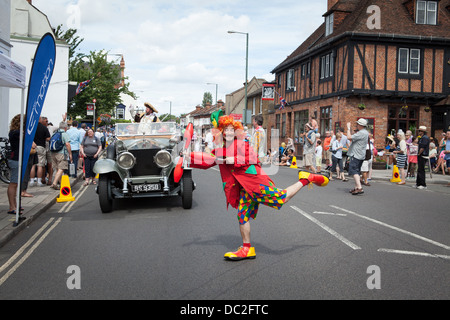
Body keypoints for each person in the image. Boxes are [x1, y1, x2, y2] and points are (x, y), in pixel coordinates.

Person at [188, 115, 329, 261]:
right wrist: (187, 156)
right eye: (226, 130)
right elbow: (207, 160)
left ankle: (306, 178)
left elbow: (252, 158)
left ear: (236, 131)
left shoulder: (242, 144)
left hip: (256, 184)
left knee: (281, 198)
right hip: (245, 189)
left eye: (231, 129)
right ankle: (247, 249)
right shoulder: (221, 150)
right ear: (221, 132)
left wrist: (234, 159)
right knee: (242, 215)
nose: (229, 132)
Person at [346, 118, 370, 195]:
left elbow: (349, 137)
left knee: (353, 170)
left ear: (360, 125)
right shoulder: (365, 133)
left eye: (358, 124)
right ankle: (356, 187)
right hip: (361, 154)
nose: (357, 125)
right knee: (357, 171)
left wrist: (348, 128)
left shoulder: (361, 133)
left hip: (356, 154)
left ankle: (359, 187)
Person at [7, 115, 24, 215]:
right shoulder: (16, 133)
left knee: (15, 184)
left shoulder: (14, 132)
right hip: (15, 159)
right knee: (13, 183)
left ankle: (14, 205)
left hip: (16, 158)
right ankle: (12, 207)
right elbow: (32, 144)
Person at [49, 122, 72, 190]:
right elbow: (67, 144)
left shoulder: (55, 133)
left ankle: (61, 184)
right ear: (65, 128)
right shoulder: (64, 134)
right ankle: (54, 183)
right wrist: (70, 154)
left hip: (53, 153)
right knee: (61, 168)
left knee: (57, 169)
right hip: (61, 153)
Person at [30, 117, 50, 187]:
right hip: (41, 147)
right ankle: (39, 181)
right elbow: (48, 138)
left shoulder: (31, 127)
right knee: (40, 165)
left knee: (33, 165)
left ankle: (31, 181)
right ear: (40, 120)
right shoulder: (44, 128)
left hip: (32, 147)